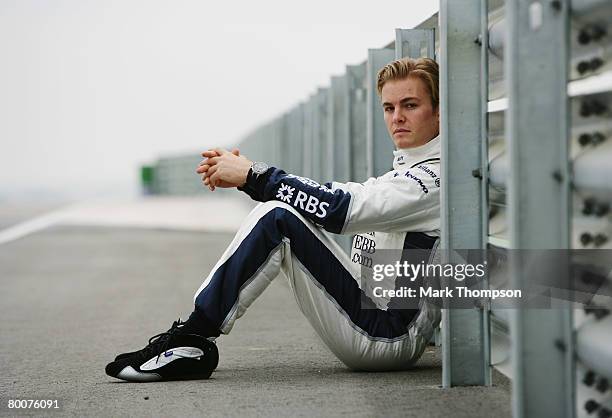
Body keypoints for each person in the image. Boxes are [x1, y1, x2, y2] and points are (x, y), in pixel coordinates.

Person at [105, 57, 441, 382]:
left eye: (410, 105)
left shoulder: (432, 180)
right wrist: (248, 181)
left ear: (439, 111)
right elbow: (329, 199)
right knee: (282, 213)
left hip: (388, 333)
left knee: (278, 218)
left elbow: (339, 210)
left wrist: (253, 175)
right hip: (370, 308)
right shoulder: (405, 172)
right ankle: (191, 338)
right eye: (388, 107)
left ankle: (193, 337)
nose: (397, 117)